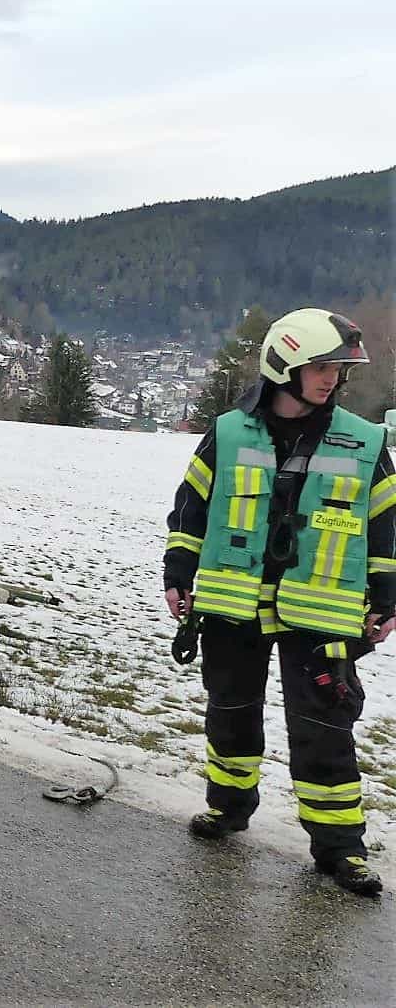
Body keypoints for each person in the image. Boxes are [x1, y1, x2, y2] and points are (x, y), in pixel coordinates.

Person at [164, 308, 393, 898]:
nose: (332, 379)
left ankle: (340, 848)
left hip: (321, 614)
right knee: (231, 712)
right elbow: (190, 509)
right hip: (232, 605)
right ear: (284, 367)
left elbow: (387, 528)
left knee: (323, 729)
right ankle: (228, 807)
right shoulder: (227, 433)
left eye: (338, 369)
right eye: (320, 367)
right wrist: (178, 573)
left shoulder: (366, 443)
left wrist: (388, 598)